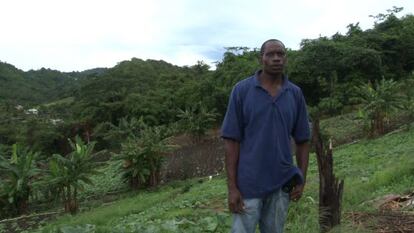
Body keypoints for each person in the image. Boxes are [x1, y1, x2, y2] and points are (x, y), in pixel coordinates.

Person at [221, 39, 310, 233]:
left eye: (281, 54)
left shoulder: (294, 93)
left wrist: (301, 179)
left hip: (281, 183)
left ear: (286, 58)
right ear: (261, 58)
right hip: (248, 184)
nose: (276, 58)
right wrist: (232, 188)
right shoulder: (242, 91)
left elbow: (303, 140)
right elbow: (231, 141)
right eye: (270, 54)